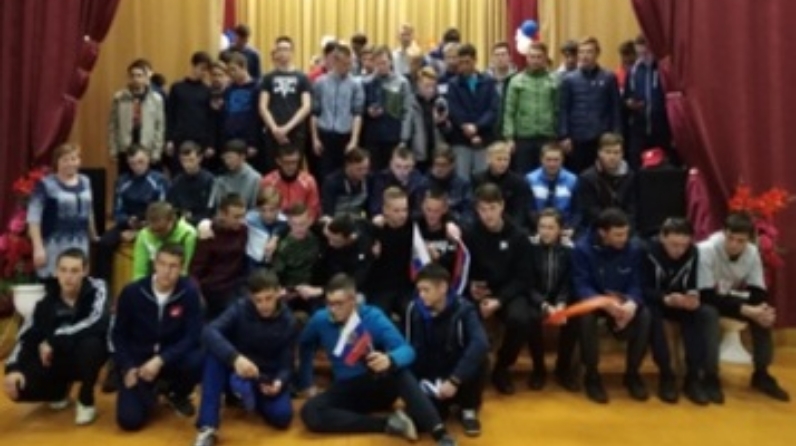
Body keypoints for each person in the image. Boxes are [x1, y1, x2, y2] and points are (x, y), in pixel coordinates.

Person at [298, 274, 457, 446]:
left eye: (339, 304)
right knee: (310, 412)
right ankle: (388, 424)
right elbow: (305, 345)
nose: (333, 309)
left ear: (352, 300)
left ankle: (440, 433)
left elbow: (407, 351)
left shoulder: (372, 317)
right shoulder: (320, 319)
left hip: (376, 385)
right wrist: (307, 383)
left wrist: (390, 359)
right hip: (345, 388)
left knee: (399, 371)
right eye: (329, 303)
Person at [3, 248, 109, 425]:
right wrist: (13, 369)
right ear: (56, 272)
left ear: (85, 271)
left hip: (85, 354)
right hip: (55, 360)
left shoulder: (98, 288)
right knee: (19, 388)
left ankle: (86, 400)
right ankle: (58, 391)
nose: (68, 276)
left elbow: (98, 322)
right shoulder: (45, 300)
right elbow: (26, 336)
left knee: (93, 344)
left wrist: (54, 340)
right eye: (63, 270)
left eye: (74, 271)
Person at [193, 270, 297, 446]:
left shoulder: (289, 321)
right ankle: (207, 426)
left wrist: (279, 382)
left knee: (282, 417)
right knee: (214, 354)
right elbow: (209, 331)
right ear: (250, 297)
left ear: (279, 293)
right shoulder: (239, 308)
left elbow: (287, 364)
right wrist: (235, 358)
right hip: (237, 367)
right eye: (258, 300)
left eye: (269, 298)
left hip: (264, 377)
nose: (264, 305)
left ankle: (244, 395)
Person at [697, 212, 790, 403]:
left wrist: (762, 311)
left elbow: (758, 291)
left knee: (762, 317)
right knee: (710, 314)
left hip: (728, 297)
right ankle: (710, 375)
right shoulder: (706, 250)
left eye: (740, 241)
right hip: (705, 299)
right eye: (730, 238)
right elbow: (706, 295)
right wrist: (746, 310)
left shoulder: (752, 252)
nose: (734, 245)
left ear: (749, 240)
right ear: (723, 233)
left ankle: (761, 373)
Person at [111, 244, 204, 431]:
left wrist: (161, 360)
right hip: (138, 361)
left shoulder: (190, 293)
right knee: (129, 421)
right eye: (162, 264)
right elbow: (118, 334)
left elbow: (193, 336)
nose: (167, 271)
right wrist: (127, 366)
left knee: (199, 358)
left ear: (182, 268)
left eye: (173, 266)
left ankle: (177, 393)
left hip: (171, 358)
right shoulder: (132, 292)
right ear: (155, 264)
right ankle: (150, 390)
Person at [572, 208, 651, 404]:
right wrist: (604, 303)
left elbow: (637, 282)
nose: (624, 238)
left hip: (623, 299)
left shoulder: (635, 249)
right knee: (585, 317)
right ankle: (592, 375)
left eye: (626, 233)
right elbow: (581, 285)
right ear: (602, 233)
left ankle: (632, 373)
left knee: (645, 315)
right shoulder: (582, 249)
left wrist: (632, 302)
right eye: (618, 234)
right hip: (596, 300)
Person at [404, 264, 489, 437]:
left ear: (442, 288)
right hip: (431, 377)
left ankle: (468, 408)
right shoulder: (414, 309)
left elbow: (480, 343)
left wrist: (454, 380)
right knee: (423, 423)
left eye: (426, 290)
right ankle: (440, 406)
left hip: (458, 374)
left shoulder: (464, 309)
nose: (421, 295)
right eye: (419, 290)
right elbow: (408, 347)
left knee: (481, 358)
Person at [463, 184, 531, 395]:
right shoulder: (469, 233)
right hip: (479, 290)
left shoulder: (518, 235)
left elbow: (523, 278)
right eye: (483, 209)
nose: (488, 214)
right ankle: (471, 368)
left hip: (508, 291)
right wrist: (471, 285)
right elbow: (462, 268)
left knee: (521, 319)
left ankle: (502, 367)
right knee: (463, 315)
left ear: (502, 206)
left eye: (492, 208)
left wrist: (499, 300)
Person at [642, 218, 711, 405]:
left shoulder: (692, 252)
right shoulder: (647, 251)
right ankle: (667, 375)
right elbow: (642, 287)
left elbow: (692, 283)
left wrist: (692, 297)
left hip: (679, 301)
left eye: (683, 245)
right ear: (662, 237)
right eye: (674, 245)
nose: (679, 250)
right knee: (653, 318)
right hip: (655, 301)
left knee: (698, 315)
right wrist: (664, 298)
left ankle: (693, 377)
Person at [96, 145, 168, 287]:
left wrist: (141, 230)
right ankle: (103, 287)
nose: (137, 167)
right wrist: (128, 222)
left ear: (148, 159)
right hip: (128, 222)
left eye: (140, 162)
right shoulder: (122, 181)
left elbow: (163, 211)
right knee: (104, 243)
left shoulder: (159, 180)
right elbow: (117, 211)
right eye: (133, 163)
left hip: (153, 225)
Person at [526, 209, 579, 391]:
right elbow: (527, 284)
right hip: (536, 299)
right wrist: (545, 306)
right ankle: (538, 369)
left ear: (559, 230)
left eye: (551, 227)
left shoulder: (569, 250)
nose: (545, 231)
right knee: (531, 318)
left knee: (574, 318)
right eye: (542, 227)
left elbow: (568, 282)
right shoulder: (529, 249)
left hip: (560, 299)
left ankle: (563, 368)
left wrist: (561, 304)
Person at [28, 144, 98, 279]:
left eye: (73, 159)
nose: (70, 163)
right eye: (65, 160)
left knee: (77, 282)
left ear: (79, 161)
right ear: (57, 162)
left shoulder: (86, 181)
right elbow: (33, 218)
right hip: (53, 245)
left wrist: (94, 236)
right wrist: (38, 247)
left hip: (80, 244)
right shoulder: (45, 184)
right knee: (55, 282)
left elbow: (89, 210)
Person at [559, 37, 622, 173]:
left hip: (602, 138)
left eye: (589, 52)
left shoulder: (608, 77)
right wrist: (564, 136)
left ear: (597, 53)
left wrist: (616, 135)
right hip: (577, 138)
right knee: (578, 175)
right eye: (581, 52)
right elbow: (563, 109)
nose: (584, 56)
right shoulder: (569, 79)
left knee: (602, 174)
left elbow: (615, 108)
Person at [445, 44, 500, 179]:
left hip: (484, 137)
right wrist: (467, 128)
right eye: (461, 62)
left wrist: (477, 127)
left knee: (483, 178)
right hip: (461, 138)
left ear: (475, 60)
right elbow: (454, 110)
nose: (464, 66)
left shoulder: (488, 81)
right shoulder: (453, 84)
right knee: (462, 178)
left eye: (467, 62)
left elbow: (493, 109)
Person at [503, 42, 559, 174]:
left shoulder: (554, 80)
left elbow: (558, 110)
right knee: (524, 176)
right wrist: (509, 138)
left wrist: (559, 136)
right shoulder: (516, 81)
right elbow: (509, 111)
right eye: (532, 57)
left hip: (547, 137)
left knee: (548, 174)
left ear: (545, 58)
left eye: (539, 57)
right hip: (523, 138)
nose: (535, 60)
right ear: (527, 58)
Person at [311, 44, 365, 179]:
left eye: (350, 64)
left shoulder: (355, 84)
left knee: (345, 174)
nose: (348, 67)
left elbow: (357, 114)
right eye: (345, 64)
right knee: (324, 175)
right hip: (325, 134)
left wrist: (354, 140)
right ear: (335, 61)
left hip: (345, 136)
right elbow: (314, 113)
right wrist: (315, 138)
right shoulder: (320, 83)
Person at [190, 193, 248, 319]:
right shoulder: (208, 234)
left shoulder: (243, 231)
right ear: (223, 214)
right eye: (236, 217)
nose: (241, 221)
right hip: (209, 289)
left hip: (233, 288)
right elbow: (195, 271)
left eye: (243, 216)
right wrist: (197, 293)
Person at [259, 36, 312, 173]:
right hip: (273, 132)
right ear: (275, 52)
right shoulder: (268, 78)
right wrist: (274, 128)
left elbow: (306, 106)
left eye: (286, 49)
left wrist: (287, 128)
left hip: (295, 132)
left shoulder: (302, 77)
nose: (283, 52)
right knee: (272, 169)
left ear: (292, 52)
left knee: (294, 169)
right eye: (280, 49)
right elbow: (263, 106)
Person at [624, 35, 673, 169]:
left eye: (645, 52)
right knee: (636, 164)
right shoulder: (633, 71)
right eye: (640, 53)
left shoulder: (663, 69)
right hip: (639, 127)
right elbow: (626, 96)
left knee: (663, 166)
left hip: (661, 127)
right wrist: (629, 103)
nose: (643, 56)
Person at [108, 59, 165, 175]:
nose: (136, 79)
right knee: (125, 180)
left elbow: (160, 127)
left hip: (147, 148)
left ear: (145, 78)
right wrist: (113, 149)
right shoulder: (119, 98)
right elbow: (113, 125)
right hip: (126, 147)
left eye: (139, 75)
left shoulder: (156, 99)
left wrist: (157, 152)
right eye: (133, 75)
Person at [365, 187, 414, 319]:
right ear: (385, 210)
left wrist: (449, 222)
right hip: (380, 289)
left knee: (414, 312)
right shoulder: (373, 230)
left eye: (405, 210)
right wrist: (371, 254)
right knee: (376, 317)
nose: (402, 215)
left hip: (405, 288)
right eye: (396, 210)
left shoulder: (413, 227)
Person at [362, 46, 413, 171]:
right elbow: (359, 109)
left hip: (394, 137)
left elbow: (407, 111)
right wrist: (367, 111)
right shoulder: (366, 83)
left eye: (384, 62)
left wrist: (404, 138)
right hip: (372, 138)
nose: (381, 66)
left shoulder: (402, 82)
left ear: (390, 61)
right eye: (378, 63)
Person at [165, 51, 215, 175]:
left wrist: (210, 144)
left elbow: (211, 119)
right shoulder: (177, 88)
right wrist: (169, 139)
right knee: (178, 174)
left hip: (200, 140)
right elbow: (170, 115)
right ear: (193, 66)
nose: (203, 72)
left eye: (206, 70)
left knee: (199, 174)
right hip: (179, 138)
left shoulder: (208, 91)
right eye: (201, 68)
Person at [576, 133, 636, 233]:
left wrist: (624, 229)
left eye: (616, 152)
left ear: (622, 154)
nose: (612, 157)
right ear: (599, 153)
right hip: (598, 229)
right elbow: (591, 211)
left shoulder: (630, 176)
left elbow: (632, 209)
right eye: (608, 152)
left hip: (624, 229)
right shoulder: (587, 178)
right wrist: (610, 228)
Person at [272, 203, 322, 314]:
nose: (299, 228)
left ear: (309, 221)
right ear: (289, 223)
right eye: (295, 224)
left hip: (311, 289)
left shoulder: (316, 238)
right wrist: (286, 291)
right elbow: (276, 274)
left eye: (302, 224)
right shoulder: (284, 247)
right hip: (290, 292)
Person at [472, 142, 531, 229]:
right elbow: (474, 207)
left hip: (510, 227)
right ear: (488, 159)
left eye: (506, 160)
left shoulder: (518, 182)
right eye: (499, 159)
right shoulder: (478, 180)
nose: (503, 163)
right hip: (482, 225)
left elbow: (520, 211)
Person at [132, 202, 197, 280]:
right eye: (152, 230)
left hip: (177, 280)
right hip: (151, 280)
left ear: (172, 220)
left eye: (161, 229)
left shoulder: (188, 234)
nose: (157, 234)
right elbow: (139, 272)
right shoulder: (144, 235)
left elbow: (185, 271)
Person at [221, 53, 263, 172]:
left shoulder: (257, 88)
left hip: (248, 140)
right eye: (229, 70)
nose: (231, 73)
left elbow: (257, 119)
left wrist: (253, 143)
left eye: (234, 69)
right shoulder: (229, 89)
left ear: (244, 67)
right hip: (231, 139)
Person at [525, 142, 579, 233]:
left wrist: (571, 228)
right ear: (541, 160)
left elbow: (577, 210)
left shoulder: (573, 180)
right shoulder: (530, 180)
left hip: (565, 229)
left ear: (562, 160)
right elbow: (528, 209)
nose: (552, 164)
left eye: (556, 160)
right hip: (537, 228)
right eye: (548, 160)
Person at [260, 145, 321, 219]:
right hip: (274, 221)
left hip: (301, 222)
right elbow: (262, 208)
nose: (291, 166)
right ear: (278, 161)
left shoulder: (309, 181)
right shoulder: (268, 181)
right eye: (287, 162)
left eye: (294, 162)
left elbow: (313, 210)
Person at [409, 67, 450, 172]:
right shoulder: (411, 103)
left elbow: (449, 131)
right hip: (418, 154)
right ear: (418, 84)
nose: (430, 89)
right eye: (426, 85)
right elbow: (407, 129)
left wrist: (441, 123)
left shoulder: (441, 102)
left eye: (433, 86)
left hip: (437, 154)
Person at [166, 142, 215, 226]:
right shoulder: (177, 181)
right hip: (181, 221)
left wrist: (192, 218)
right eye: (184, 161)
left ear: (200, 158)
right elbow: (171, 206)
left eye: (191, 160)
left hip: (202, 221)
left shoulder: (209, 180)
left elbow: (211, 210)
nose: (187, 164)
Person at [370, 146, 427, 216]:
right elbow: (376, 207)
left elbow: (418, 210)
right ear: (391, 164)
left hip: (409, 219)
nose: (402, 172)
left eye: (406, 167)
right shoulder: (381, 178)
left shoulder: (420, 182)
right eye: (398, 166)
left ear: (413, 166)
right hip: (386, 218)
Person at [425, 146, 472, 225]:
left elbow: (468, 212)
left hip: (455, 223)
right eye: (436, 164)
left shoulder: (463, 184)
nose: (439, 168)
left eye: (443, 165)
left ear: (452, 165)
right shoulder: (425, 183)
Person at [321, 147, 372, 220]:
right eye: (359, 169)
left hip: (357, 220)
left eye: (366, 168)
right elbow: (328, 212)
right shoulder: (332, 182)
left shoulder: (369, 179)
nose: (364, 172)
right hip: (336, 221)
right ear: (348, 165)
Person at [245, 186, 288, 270]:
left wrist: (274, 238)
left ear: (279, 209)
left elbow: (285, 224)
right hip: (252, 264)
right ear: (257, 209)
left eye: (272, 210)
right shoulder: (250, 219)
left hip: (273, 267)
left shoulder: (283, 221)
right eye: (263, 210)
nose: (267, 215)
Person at [211, 139, 262, 209]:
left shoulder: (255, 178)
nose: (227, 161)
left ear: (242, 157)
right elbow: (216, 205)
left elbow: (256, 208)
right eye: (225, 158)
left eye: (230, 157)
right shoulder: (220, 177)